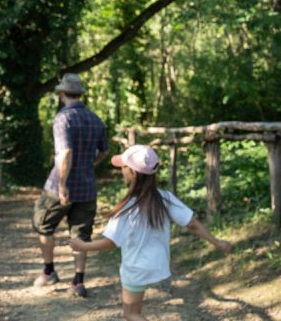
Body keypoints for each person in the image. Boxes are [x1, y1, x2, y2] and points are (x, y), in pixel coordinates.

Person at [69, 145, 232, 320]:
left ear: (132, 171)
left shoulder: (127, 206)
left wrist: (83, 246)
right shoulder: (165, 198)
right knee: (134, 313)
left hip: (135, 267)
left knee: (131, 314)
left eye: (123, 167)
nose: (122, 171)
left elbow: (111, 242)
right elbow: (192, 224)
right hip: (159, 264)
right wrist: (217, 242)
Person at [32, 73, 109, 297]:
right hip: (87, 186)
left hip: (59, 186)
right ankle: (78, 281)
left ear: (62, 94)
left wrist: (63, 184)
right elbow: (104, 150)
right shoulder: (96, 119)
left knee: (43, 224)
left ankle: (49, 272)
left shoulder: (63, 118)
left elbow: (65, 152)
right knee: (81, 234)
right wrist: (89, 164)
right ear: (80, 94)